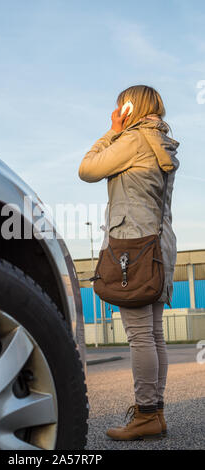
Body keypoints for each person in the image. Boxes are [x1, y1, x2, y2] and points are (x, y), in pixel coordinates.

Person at [78, 85, 180, 440]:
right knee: (153, 334)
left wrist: (113, 130)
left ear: (129, 106)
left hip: (133, 247)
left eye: (120, 106)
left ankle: (147, 414)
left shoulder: (134, 141)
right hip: (158, 245)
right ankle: (155, 413)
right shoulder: (161, 142)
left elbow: (87, 169)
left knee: (140, 335)